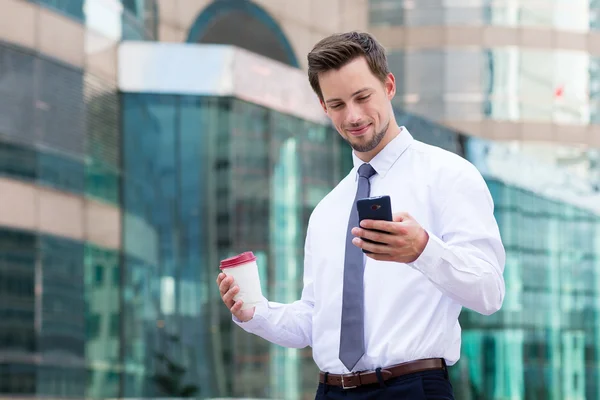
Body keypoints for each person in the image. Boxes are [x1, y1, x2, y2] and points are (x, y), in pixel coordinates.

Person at [216, 31, 505, 399]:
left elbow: (490, 292)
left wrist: (422, 250)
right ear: (323, 107)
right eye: (336, 104)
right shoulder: (327, 210)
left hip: (413, 389)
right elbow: (312, 321)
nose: (352, 116)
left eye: (362, 97)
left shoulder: (449, 176)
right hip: (331, 390)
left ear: (388, 85)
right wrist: (252, 313)